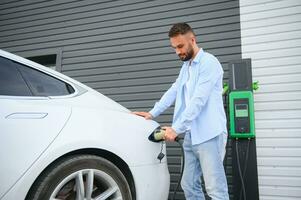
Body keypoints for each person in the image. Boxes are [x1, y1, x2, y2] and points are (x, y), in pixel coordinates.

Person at [133, 22, 229, 200]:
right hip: (191, 135)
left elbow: (198, 101)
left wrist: (176, 128)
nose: (177, 51)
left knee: (215, 189)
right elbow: (174, 90)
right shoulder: (187, 67)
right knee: (189, 185)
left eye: (180, 46)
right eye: (174, 48)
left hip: (209, 135)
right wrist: (153, 113)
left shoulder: (209, 63)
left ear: (192, 40)